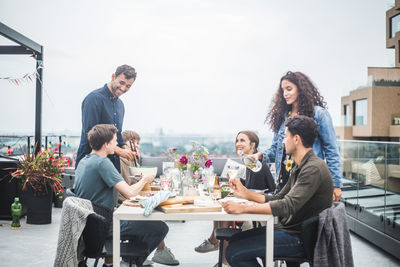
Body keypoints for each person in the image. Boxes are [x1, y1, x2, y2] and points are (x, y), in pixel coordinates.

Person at [222, 115, 333, 267]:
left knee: (233, 252)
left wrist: (244, 207)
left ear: (296, 139)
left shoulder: (313, 168)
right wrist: (246, 194)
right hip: (290, 230)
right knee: (234, 240)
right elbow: (280, 197)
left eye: (285, 136)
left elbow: (287, 206)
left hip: (300, 238)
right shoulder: (300, 165)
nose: (282, 141)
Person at [74, 124, 168, 267]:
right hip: (104, 225)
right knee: (160, 227)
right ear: (106, 144)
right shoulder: (103, 163)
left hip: (89, 225)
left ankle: (130, 260)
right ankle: (134, 261)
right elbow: (129, 193)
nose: (118, 144)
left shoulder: (84, 160)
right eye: (114, 141)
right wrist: (145, 179)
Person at [250, 71, 342, 201]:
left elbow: (331, 150)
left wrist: (336, 184)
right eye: (283, 90)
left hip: (307, 178)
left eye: (289, 89)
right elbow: (276, 148)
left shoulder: (319, 114)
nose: (285, 94)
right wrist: (259, 156)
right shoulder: (283, 117)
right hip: (285, 181)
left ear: (301, 89)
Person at [194, 131, 275, 267]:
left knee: (225, 210)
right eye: (237, 141)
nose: (238, 144)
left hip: (262, 217)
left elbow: (255, 193)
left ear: (253, 144)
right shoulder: (251, 162)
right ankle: (217, 247)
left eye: (242, 140)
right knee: (223, 206)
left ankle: (222, 254)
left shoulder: (257, 165)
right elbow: (251, 187)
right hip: (257, 209)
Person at [119, 130, 180, 266]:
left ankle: (157, 251)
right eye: (132, 142)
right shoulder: (121, 160)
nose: (136, 146)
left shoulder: (132, 160)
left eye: (138, 143)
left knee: (155, 212)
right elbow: (131, 186)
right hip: (124, 205)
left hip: (131, 201)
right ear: (122, 145)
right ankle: (141, 256)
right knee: (157, 221)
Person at [75, 65, 137, 172]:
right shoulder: (93, 99)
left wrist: (126, 148)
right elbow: (91, 135)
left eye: (128, 86)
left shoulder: (120, 105)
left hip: (112, 165)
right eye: (121, 83)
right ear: (113, 76)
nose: (123, 88)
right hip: (90, 165)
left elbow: (117, 135)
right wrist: (119, 151)